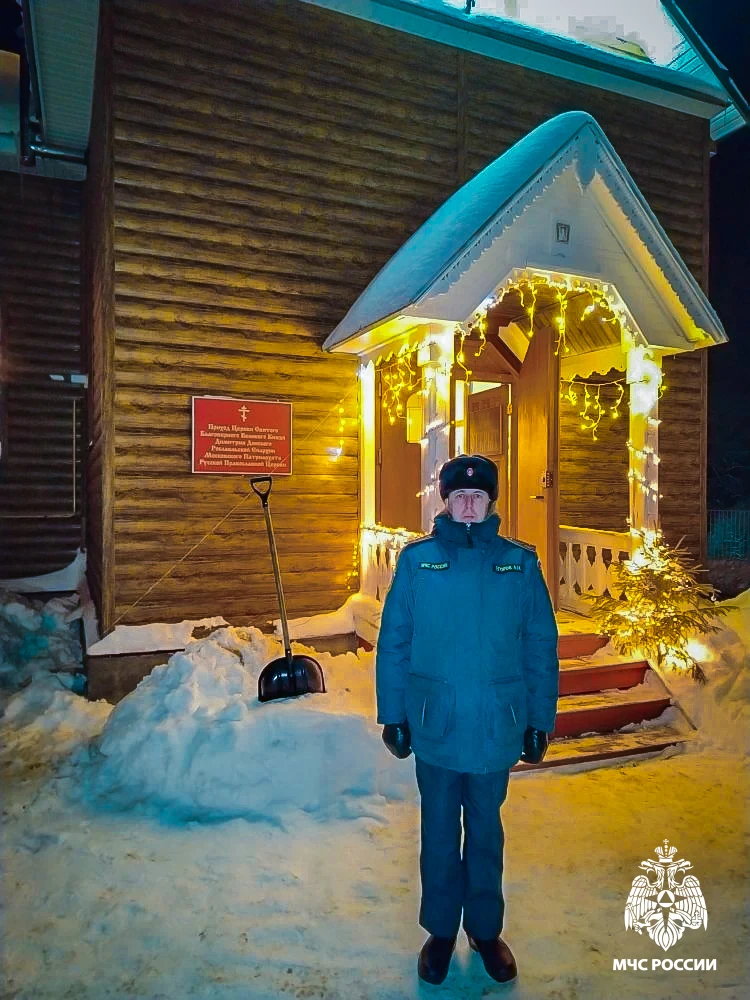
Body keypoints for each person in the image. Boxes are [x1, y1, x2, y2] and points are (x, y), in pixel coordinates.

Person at [375, 454, 559, 986]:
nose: (470, 506)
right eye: (460, 497)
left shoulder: (518, 563)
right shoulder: (419, 562)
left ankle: (484, 931)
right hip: (436, 723)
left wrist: (539, 719)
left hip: (496, 725)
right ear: (447, 503)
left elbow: (540, 645)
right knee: (438, 831)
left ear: (491, 501)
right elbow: (395, 642)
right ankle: (439, 932)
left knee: (484, 832)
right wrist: (394, 714)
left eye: (479, 497)